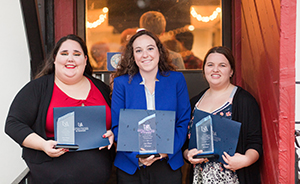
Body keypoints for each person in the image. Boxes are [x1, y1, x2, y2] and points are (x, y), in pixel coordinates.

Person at [5, 34, 115, 183]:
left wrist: (112, 134)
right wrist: (43, 145)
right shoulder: (38, 88)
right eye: (64, 54)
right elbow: (13, 124)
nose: (70, 58)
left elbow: (117, 123)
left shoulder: (101, 88)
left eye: (77, 54)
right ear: (55, 59)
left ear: (85, 60)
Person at [111, 30, 191, 184]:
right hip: (131, 165)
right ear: (133, 56)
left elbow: (183, 121)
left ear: (159, 51)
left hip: (168, 164)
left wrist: (165, 151)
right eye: (138, 50)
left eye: (150, 48)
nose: (145, 54)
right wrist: (138, 155)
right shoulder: (121, 83)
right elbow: (117, 126)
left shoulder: (176, 80)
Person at [183, 46, 262, 184]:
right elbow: (185, 144)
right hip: (199, 178)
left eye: (222, 65)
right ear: (204, 70)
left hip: (233, 178)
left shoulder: (244, 101)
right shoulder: (194, 103)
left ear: (231, 71)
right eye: (210, 65)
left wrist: (245, 160)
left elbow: (255, 142)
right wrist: (188, 155)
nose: (215, 69)